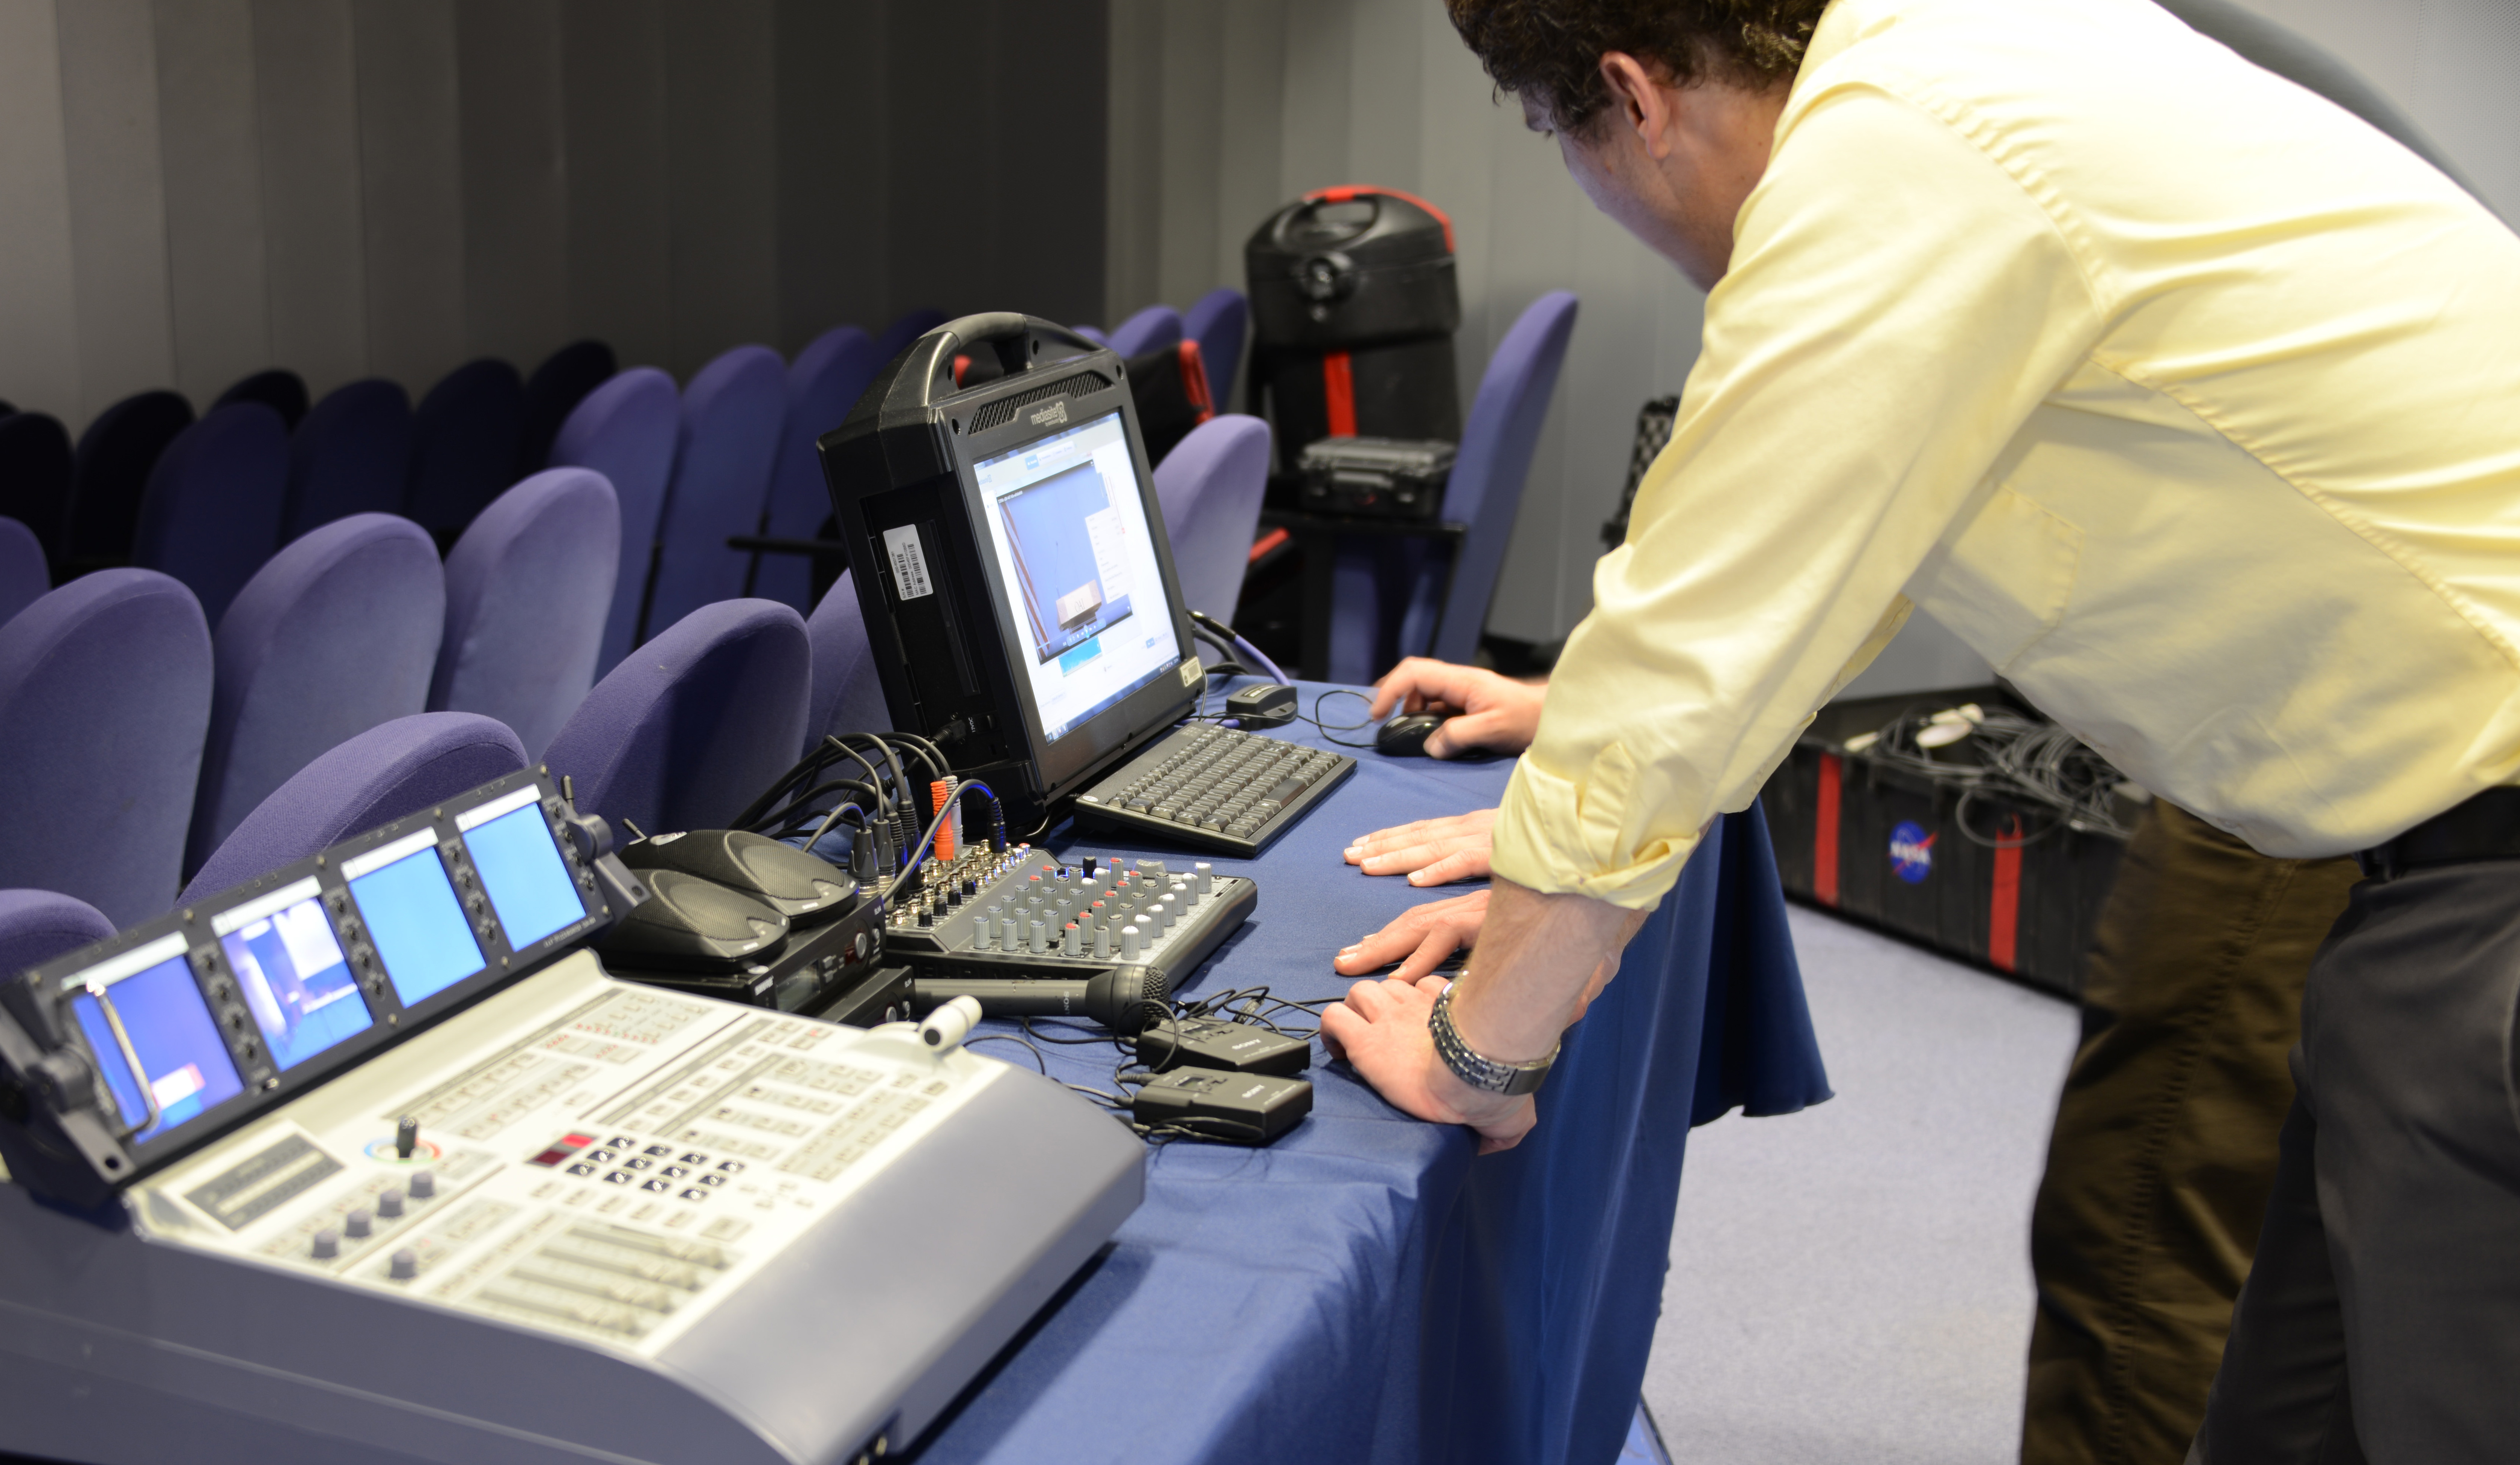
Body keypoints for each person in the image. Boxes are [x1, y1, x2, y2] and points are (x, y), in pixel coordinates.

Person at [1316, 0, 2520, 1457]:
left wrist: (1478, 1051)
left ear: (1628, 98)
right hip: (2425, 849)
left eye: (1550, 132)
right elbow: (1836, 533)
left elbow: (1696, 644)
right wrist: (1574, 775)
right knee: (2289, 1414)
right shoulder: (1974, 49)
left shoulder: (1887, 158)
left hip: (2485, 881)